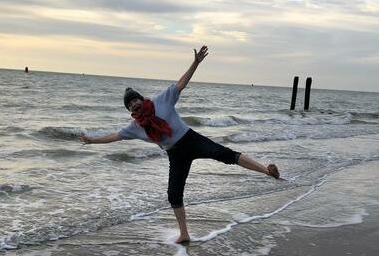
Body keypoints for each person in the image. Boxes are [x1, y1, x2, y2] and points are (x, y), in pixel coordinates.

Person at [79, 45, 280, 244]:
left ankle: (267, 171)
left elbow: (181, 83)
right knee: (173, 194)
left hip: (191, 140)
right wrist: (92, 140)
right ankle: (184, 234)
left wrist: (195, 63)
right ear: (129, 110)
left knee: (227, 155)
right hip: (175, 154)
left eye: (135, 100)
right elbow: (115, 136)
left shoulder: (161, 100)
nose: (134, 104)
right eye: (129, 105)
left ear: (141, 99)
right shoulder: (136, 127)